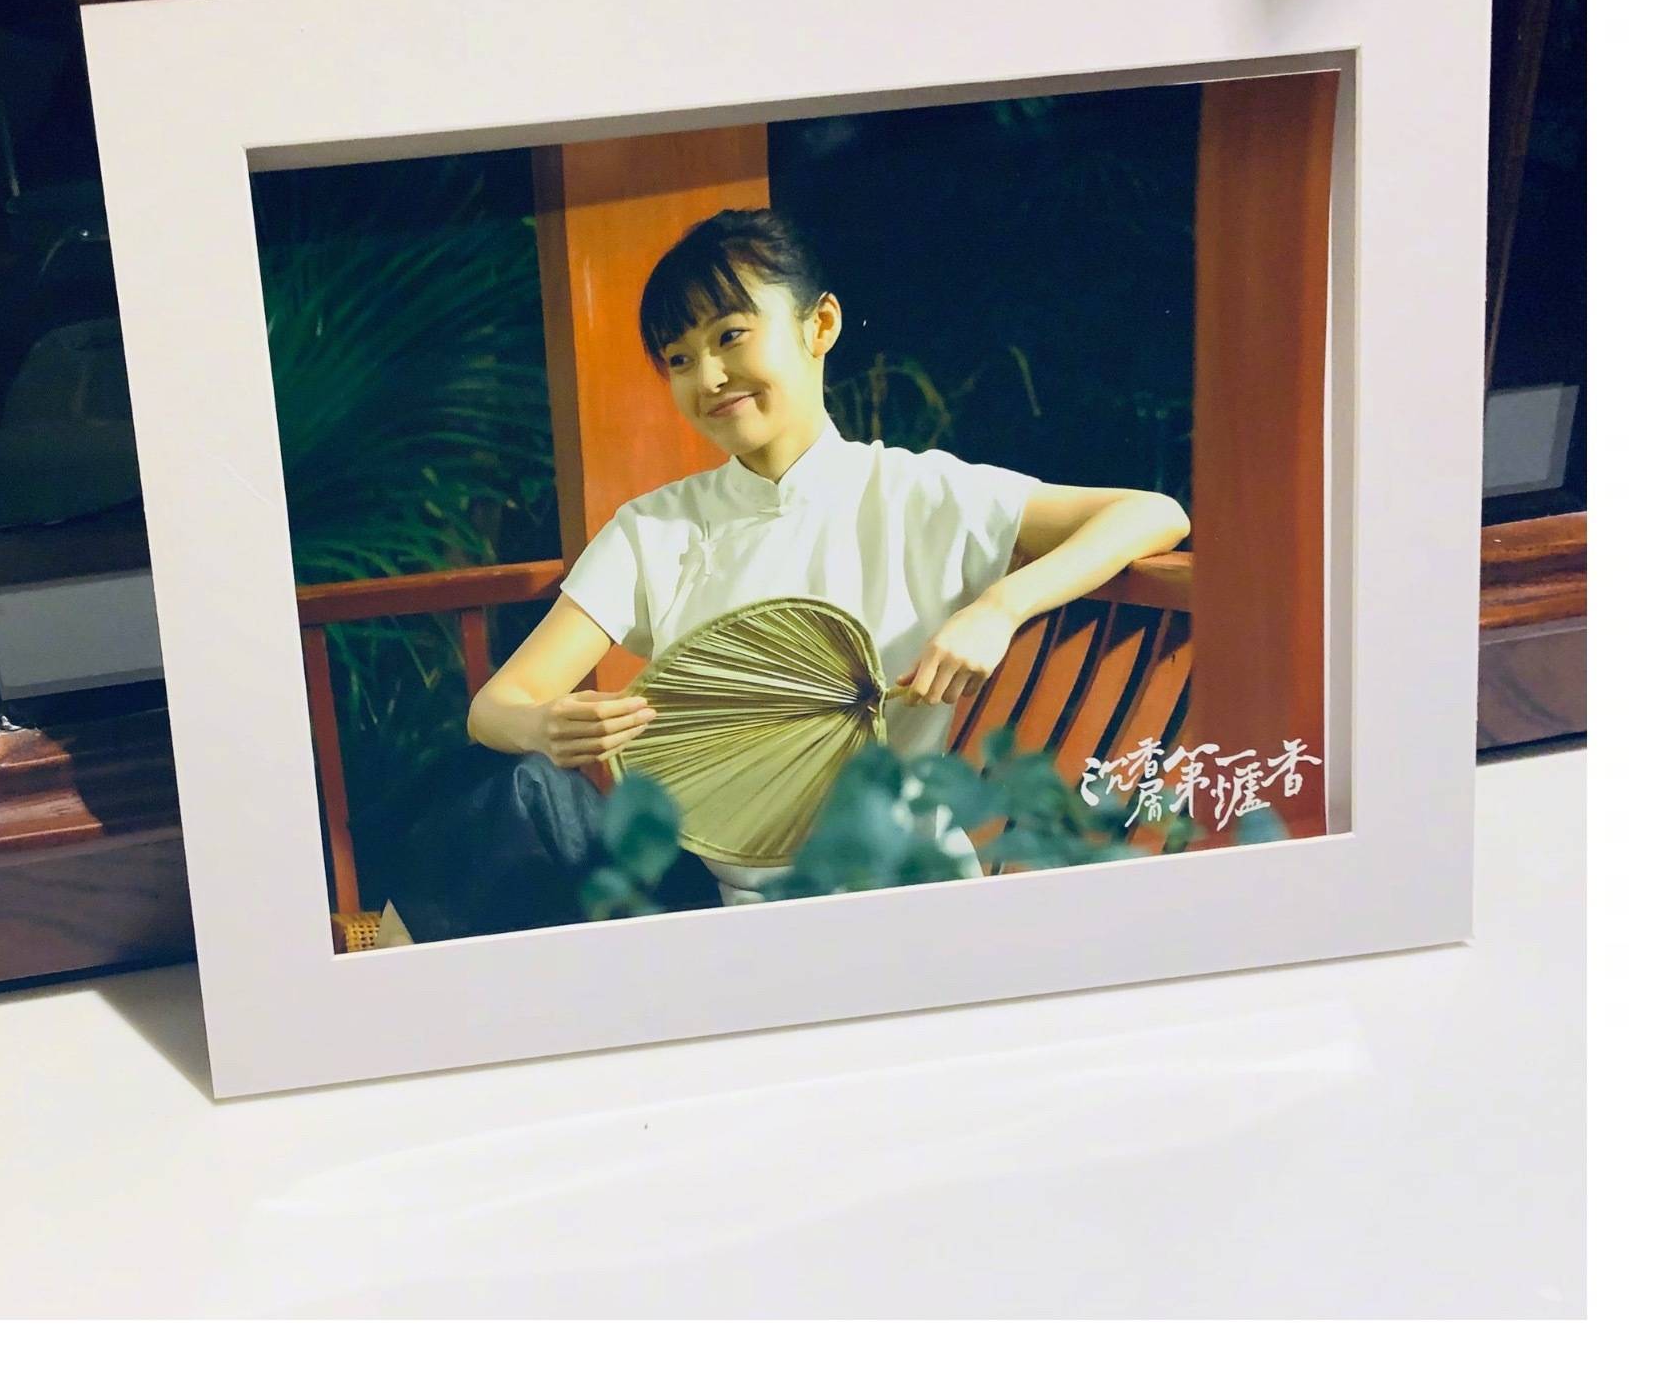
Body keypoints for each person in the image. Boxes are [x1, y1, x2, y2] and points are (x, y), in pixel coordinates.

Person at [384, 207, 1191, 942]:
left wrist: (1000, 605)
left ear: (820, 325)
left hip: (890, 896)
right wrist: (546, 728)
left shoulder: (919, 493)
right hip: (710, 900)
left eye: (731, 335)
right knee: (496, 790)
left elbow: (1152, 513)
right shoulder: (657, 529)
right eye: (680, 358)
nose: (708, 377)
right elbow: (498, 706)